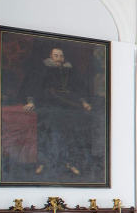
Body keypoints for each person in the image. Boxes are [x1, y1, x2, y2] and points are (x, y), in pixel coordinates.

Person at [22, 48, 92, 176]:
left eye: (61, 56)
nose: (59, 59)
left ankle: (70, 163)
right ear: (51, 56)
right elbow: (33, 85)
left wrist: (84, 103)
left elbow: (79, 88)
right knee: (46, 133)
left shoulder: (70, 70)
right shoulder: (42, 68)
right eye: (56, 56)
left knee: (70, 135)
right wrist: (31, 102)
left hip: (68, 105)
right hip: (48, 104)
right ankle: (43, 163)